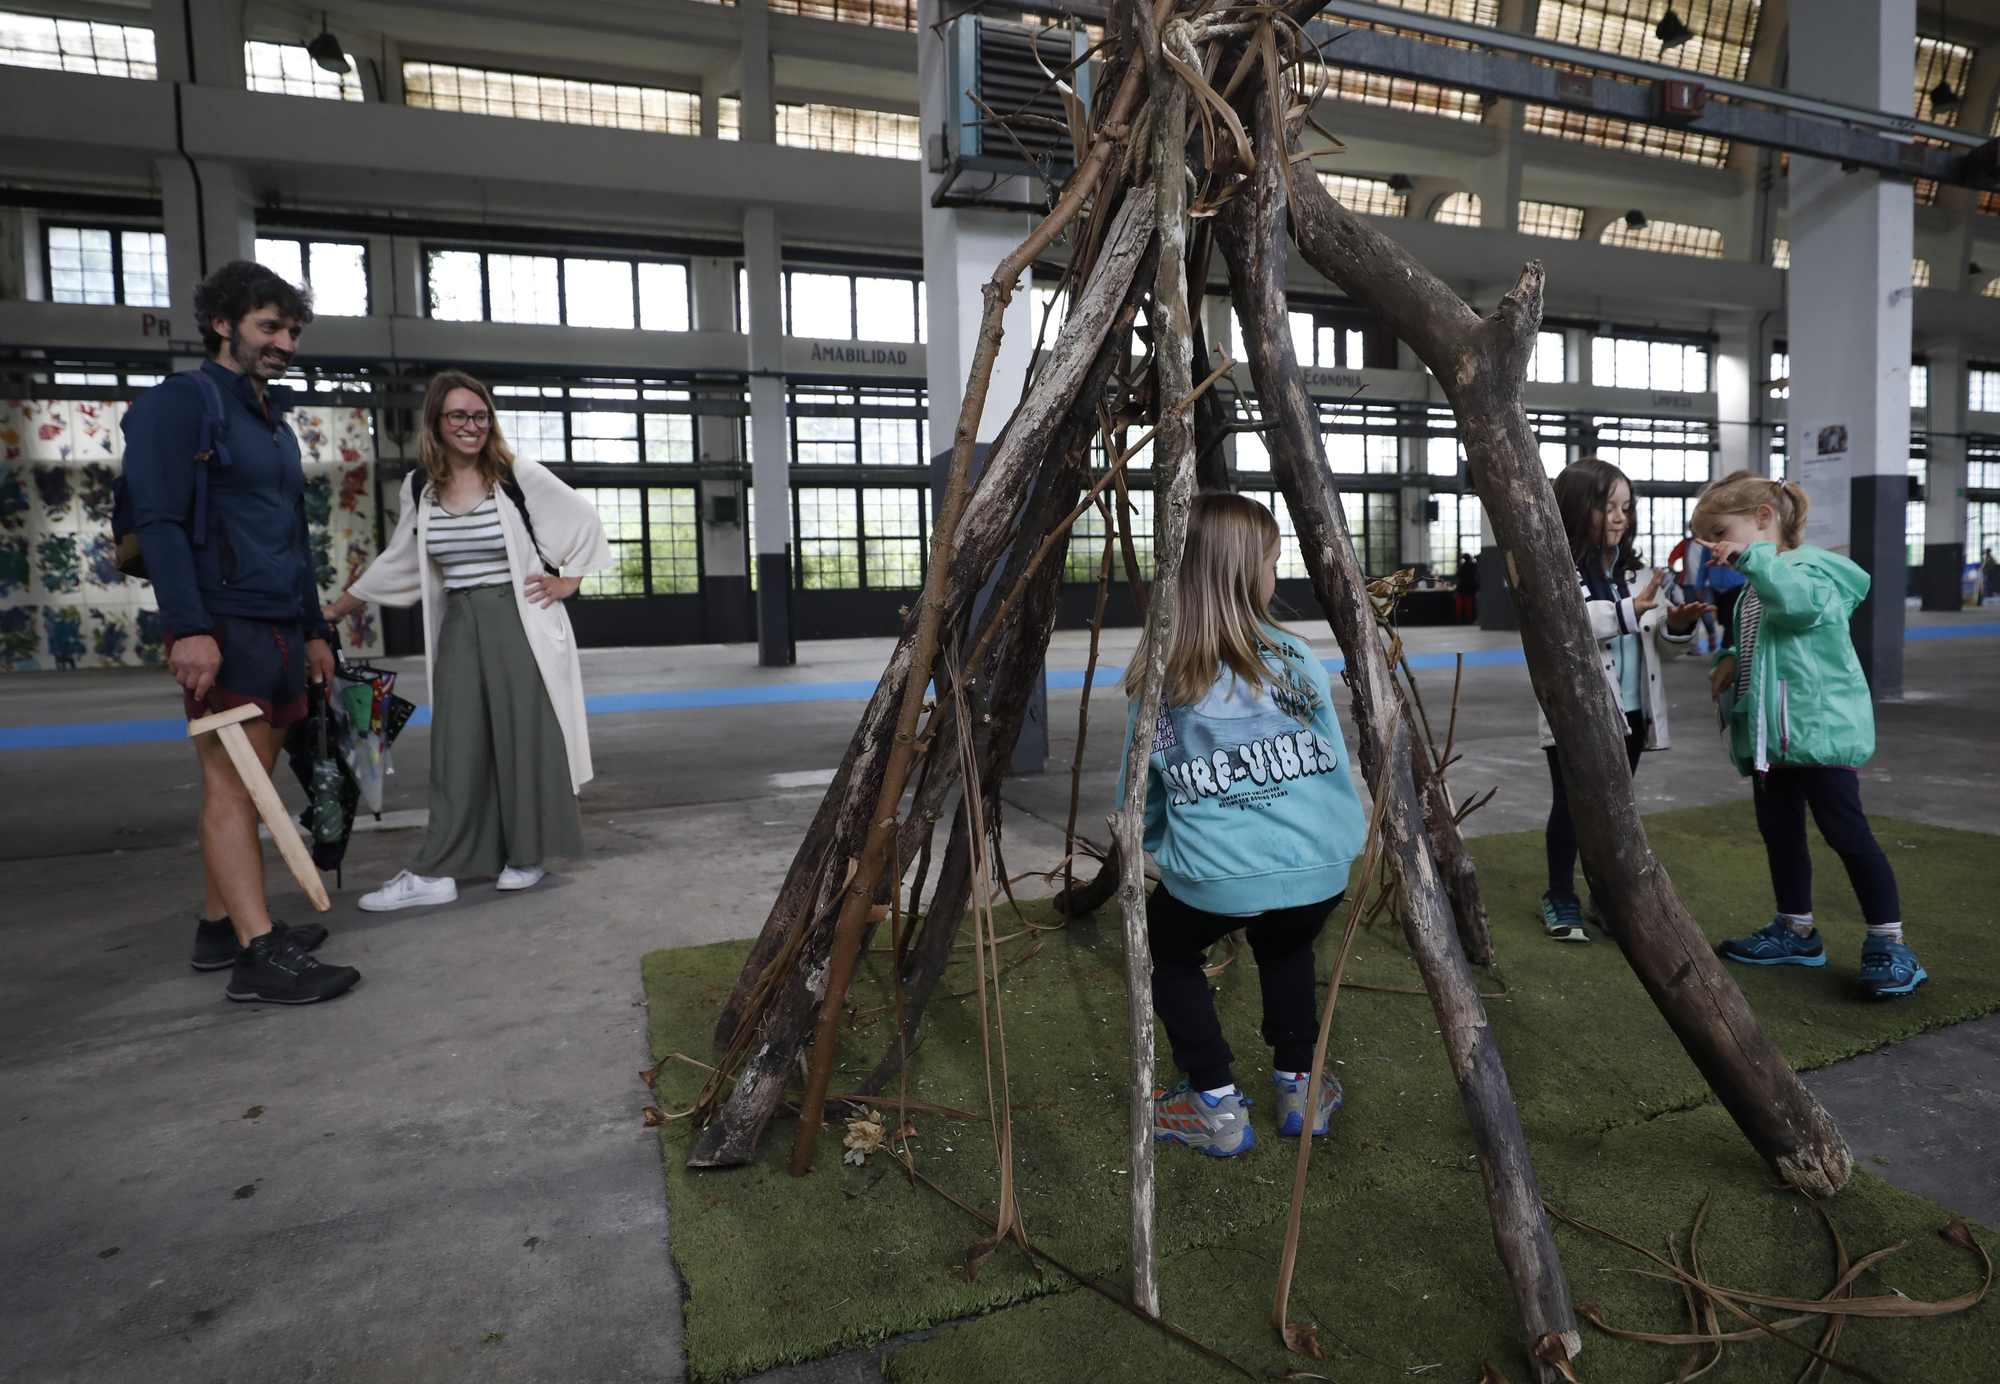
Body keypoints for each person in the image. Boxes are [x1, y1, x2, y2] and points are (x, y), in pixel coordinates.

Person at [122, 261, 360, 1004]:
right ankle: (258, 957)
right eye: (269, 326)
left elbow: (291, 532)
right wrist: (190, 629)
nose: (284, 341)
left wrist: (313, 627)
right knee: (234, 783)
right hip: (223, 623)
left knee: (240, 780)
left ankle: (219, 929)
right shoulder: (179, 405)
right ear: (223, 324)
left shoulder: (268, 418)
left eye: (291, 329)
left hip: (276, 622)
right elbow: (157, 521)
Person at [1122, 492, 1369, 1157]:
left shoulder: (1165, 672)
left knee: (1167, 951)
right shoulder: (1295, 655)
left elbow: (1139, 784)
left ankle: (1213, 1106)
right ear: (1241, 573)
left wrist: (1156, 845)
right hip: (1317, 871)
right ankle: (1302, 1092)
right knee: (1287, 945)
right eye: (1270, 563)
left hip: (1217, 877)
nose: (1276, 578)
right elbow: (1331, 759)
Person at [326, 371, 610, 911]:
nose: (471, 426)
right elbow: (400, 562)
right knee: (456, 744)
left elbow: (583, 519)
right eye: (458, 415)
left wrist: (568, 579)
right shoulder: (421, 487)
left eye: (480, 416)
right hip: (458, 619)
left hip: (517, 618)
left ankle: (527, 855)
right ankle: (440, 870)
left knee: (523, 736)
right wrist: (336, 610)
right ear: (436, 421)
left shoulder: (515, 474)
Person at [1694, 472, 1927, 1000]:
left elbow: (1798, 606)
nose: (1713, 547)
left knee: (1847, 835)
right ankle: (1796, 931)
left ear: (1763, 519)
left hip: (1817, 735)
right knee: (1781, 833)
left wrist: (1752, 561)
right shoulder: (1757, 585)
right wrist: (1730, 659)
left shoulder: (1808, 569)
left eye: (1719, 531)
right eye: (1707, 537)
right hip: (1770, 740)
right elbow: (1765, 642)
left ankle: (1889, 942)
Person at [1536, 458, 1710, 943]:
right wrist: (1630, 611)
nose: (1620, 518)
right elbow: (1570, 626)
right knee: (1571, 805)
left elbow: (1661, 647)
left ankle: (1606, 897)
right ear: (1575, 507)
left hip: (1633, 712)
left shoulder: (1634, 573)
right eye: (1607, 506)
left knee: (1616, 807)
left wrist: (1678, 628)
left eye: (1626, 507)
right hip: (1576, 715)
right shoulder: (1552, 566)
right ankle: (1559, 895)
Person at [1454, 547, 1479, 622]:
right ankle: (1469, 618)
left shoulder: (1462, 566)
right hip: (1470, 588)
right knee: (1469, 606)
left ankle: (1459, 618)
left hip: (1462, 588)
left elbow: (1458, 574)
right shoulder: (1473, 566)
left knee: (1460, 605)